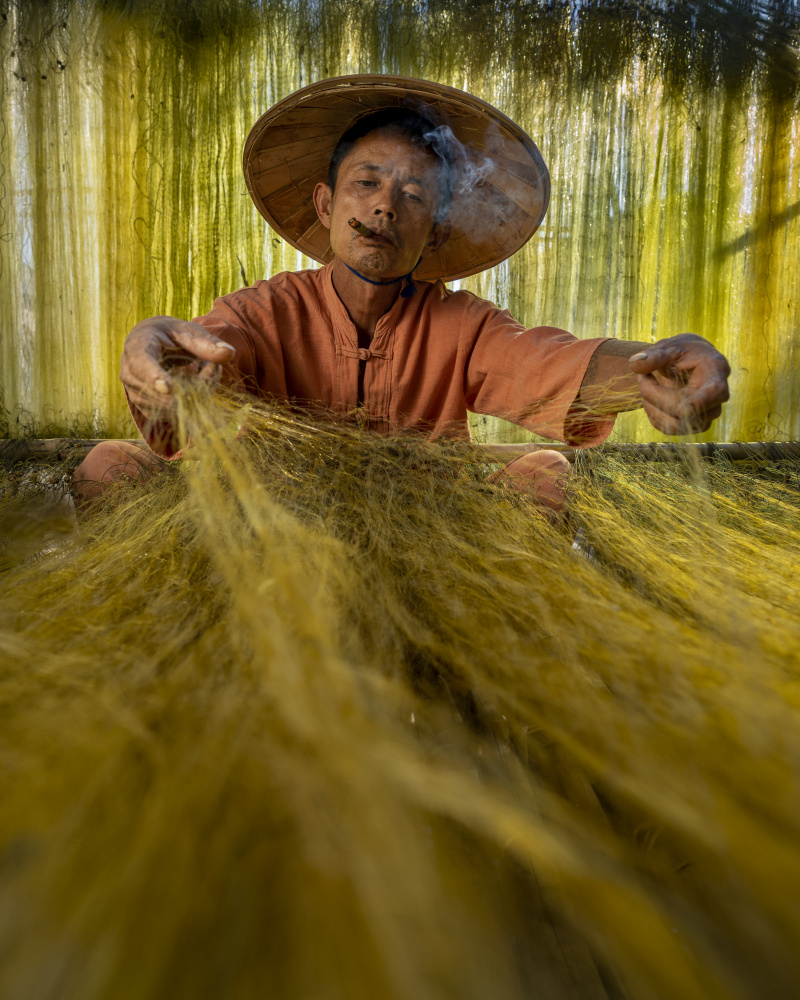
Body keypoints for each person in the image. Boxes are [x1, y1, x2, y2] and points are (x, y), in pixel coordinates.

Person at [73, 75, 730, 514]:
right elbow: (202, 369)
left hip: (427, 529)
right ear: (327, 203)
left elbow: (545, 366)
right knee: (107, 465)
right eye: (367, 182)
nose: (386, 206)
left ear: (435, 232)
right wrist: (154, 357)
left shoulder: (461, 325)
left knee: (547, 475)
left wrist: (661, 366)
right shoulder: (265, 312)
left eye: (415, 194)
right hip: (275, 534)